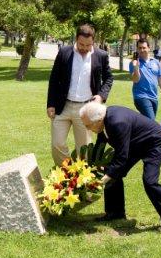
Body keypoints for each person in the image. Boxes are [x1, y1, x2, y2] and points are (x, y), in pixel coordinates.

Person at [79, 102, 161, 231]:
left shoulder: (117, 122)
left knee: (150, 181)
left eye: (88, 125)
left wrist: (102, 180)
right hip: (136, 143)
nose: (88, 129)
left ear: (98, 120)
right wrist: (91, 167)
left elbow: (121, 157)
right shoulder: (104, 119)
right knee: (111, 170)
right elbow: (101, 143)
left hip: (154, 143)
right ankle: (115, 213)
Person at [47, 24, 114, 165]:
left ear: (93, 41)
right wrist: (51, 104)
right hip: (62, 107)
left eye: (88, 45)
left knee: (84, 151)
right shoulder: (64, 52)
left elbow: (109, 78)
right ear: (76, 39)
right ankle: (67, 172)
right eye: (81, 44)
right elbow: (54, 78)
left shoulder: (101, 55)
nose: (84, 48)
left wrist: (101, 96)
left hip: (85, 109)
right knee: (57, 144)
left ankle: (80, 176)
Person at [129, 38, 161, 120]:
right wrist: (136, 67)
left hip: (154, 97)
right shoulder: (133, 63)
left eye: (144, 47)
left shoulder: (156, 62)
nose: (142, 50)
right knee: (152, 121)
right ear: (137, 49)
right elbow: (135, 80)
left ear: (149, 48)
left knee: (147, 123)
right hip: (141, 97)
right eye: (139, 48)